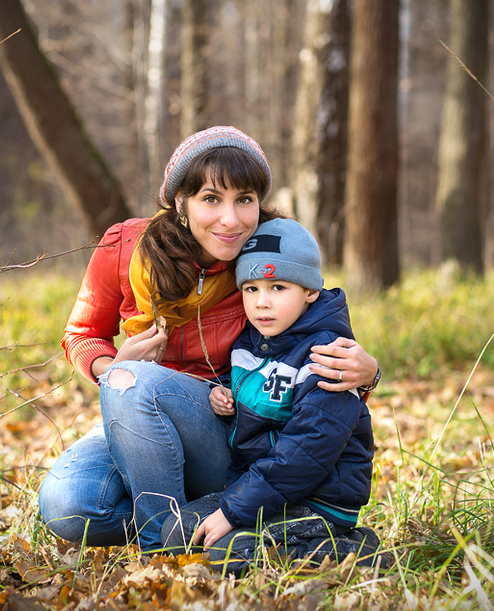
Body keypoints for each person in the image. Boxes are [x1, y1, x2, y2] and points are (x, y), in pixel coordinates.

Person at [38, 126, 380, 553]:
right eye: (211, 199)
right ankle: (215, 521)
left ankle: (164, 547)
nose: (231, 220)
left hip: (229, 429)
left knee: (135, 382)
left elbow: (314, 321)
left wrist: (369, 372)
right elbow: (81, 334)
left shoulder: (262, 250)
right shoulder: (126, 247)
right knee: (70, 508)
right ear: (180, 201)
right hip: (133, 414)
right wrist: (111, 365)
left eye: (245, 200)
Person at [161, 218, 384, 572]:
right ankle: (255, 537)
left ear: (310, 291)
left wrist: (234, 511)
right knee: (176, 529)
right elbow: (262, 398)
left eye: (278, 288)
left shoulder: (328, 355)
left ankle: (354, 551)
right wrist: (227, 396)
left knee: (225, 555)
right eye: (251, 289)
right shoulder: (251, 342)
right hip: (260, 490)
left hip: (316, 499)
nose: (261, 303)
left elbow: (307, 452)